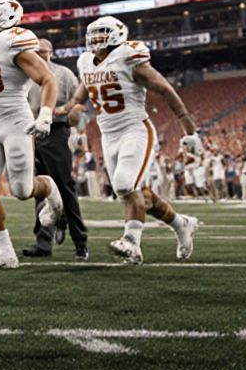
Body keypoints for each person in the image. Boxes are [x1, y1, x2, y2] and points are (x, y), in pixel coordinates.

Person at [58, 16, 201, 265]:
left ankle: (132, 243)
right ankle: (182, 224)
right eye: (94, 33)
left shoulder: (128, 57)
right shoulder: (86, 62)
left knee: (125, 184)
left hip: (134, 129)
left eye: (102, 33)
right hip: (108, 135)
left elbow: (165, 89)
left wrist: (190, 130)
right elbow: (81, 96)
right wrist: (61, 111)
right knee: (138, 195)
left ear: (117, 35)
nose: (96, 39)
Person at [0, 0, 64, 269]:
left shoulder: (14, 41)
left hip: (16, 122)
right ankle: (6, 253)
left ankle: (50, 189)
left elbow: (48, 79)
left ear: (7, 18)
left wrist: (45, 116)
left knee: (22, 189)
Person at [21, 38, 89, 260]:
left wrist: (67, 112)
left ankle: (80, 241)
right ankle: (43, 243)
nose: (39, 55)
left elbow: (79, 101)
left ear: (51, 52)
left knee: (64, 186)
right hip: (32, 133)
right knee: (39, 188)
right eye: (36, 51)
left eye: (43, 51)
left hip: (56, 132)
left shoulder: (64, 74)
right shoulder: (25, 74)